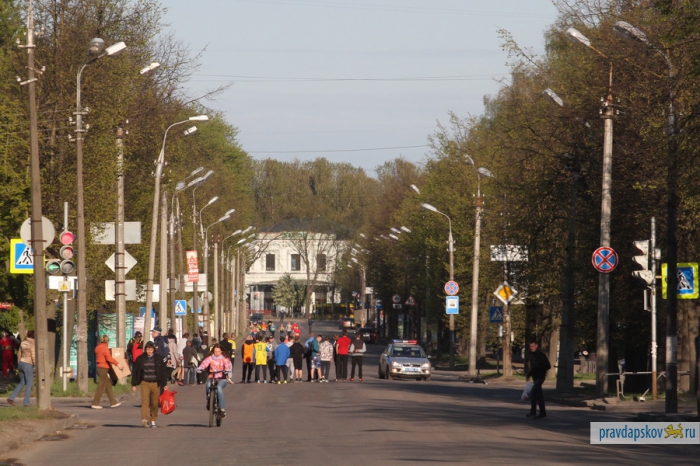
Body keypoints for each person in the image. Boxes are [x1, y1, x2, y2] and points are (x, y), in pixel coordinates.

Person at [132, 341, 168, 427]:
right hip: (145, 383)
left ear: (154, 350)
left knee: (154, 403)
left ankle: (153, 420)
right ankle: (145, 419)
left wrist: (164, 384)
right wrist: (134, 384)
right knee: (145, 401)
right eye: (148, 349)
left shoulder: (158, 358)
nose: (149, 351)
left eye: (151, 349)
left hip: (155, 383)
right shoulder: (140, 359)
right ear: (145, 349)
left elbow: (163, 372)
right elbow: (135, 372)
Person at [197, 343, 232, 417]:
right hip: (212, 377)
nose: (217, 353)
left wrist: (227, 370)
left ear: (221, 351)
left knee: (219, 388)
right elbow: (204, 363)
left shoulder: (225, 358)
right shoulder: (210, 358)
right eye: (215, 351)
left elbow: (228, 365)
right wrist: (200, 368)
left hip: (222, 378)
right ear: (213, 351)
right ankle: (209, 400)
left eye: (218, 351)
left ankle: (222, 409)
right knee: (208, 385)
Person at [91, 335, 123, 409]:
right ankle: (95, 403)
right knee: (101, 386)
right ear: (107, 341)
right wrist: (117, 364)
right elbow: (109, 358)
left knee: (108, 385)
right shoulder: (105, 348)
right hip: (103, 368)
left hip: (99, 367)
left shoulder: (98, 347)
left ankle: (113, 402)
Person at [7, 330, 35, 406]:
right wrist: (35, 364)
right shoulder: (32, 343)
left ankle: (11, 398)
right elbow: (33, 355)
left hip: (21, 363)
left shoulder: (23, 343)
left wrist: (19, 362)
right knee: (29, 384)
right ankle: (26, 402)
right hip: (28, 364)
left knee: (22, 383)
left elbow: (19, 353)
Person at [525, 340, 551, 419]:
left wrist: (539, 368)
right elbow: (533, 368)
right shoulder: (532, 355)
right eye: (530, 346)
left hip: (540, 376)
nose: (531, 348)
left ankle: (539, 412)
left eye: (533, 346)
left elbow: (548, 366)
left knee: (534, 393)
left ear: (536, 346)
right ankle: (537, 412)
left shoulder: (541, 355)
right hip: (535, 377)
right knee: (537, 394)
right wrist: (529, 375)